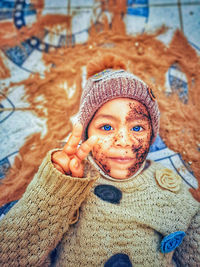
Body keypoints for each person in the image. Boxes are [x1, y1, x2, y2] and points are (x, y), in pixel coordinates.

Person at [0, 55, 199, 267]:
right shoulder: (69, 182)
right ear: (85, 133)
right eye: (106, 127)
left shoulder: (172, 189)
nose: (123, 141)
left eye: (137, 128)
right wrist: (56, 188)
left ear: (151, 135)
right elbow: (9, 258)